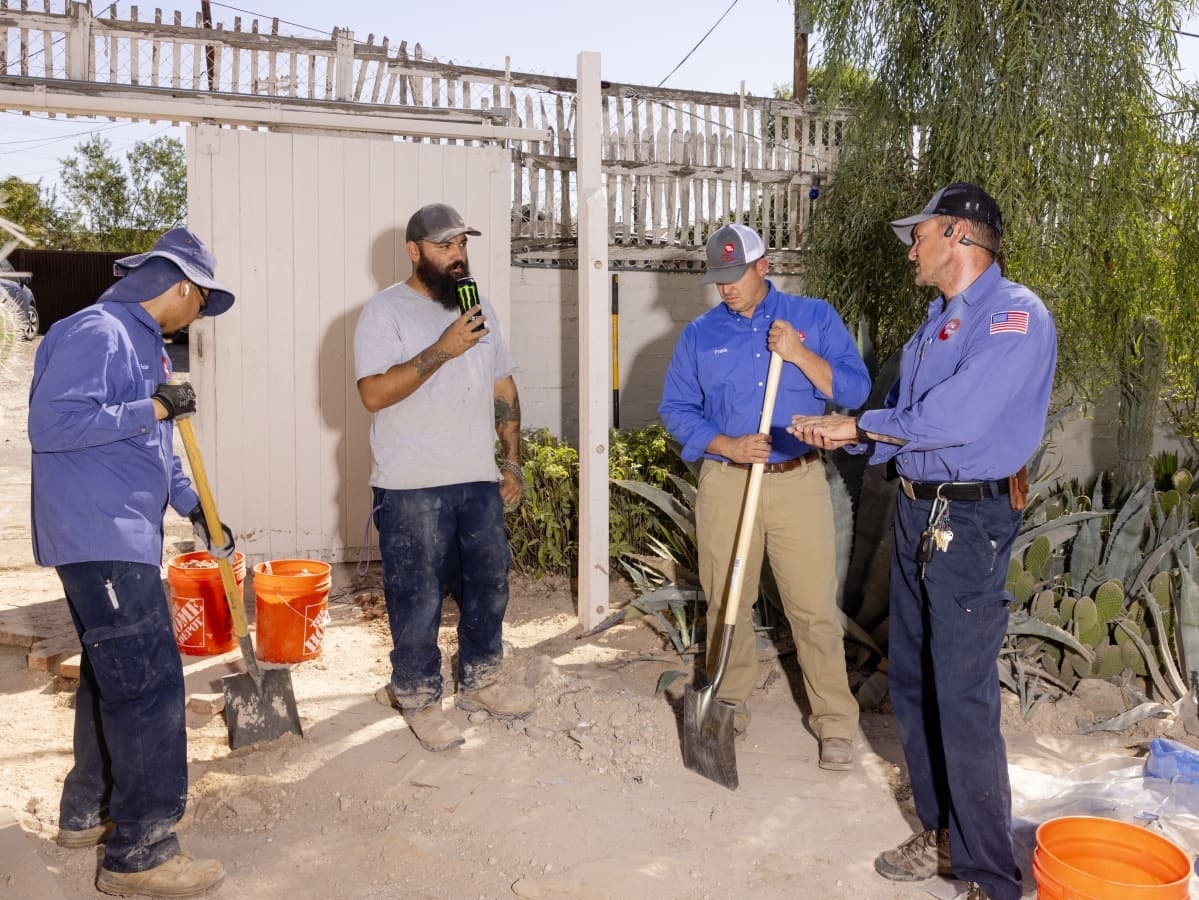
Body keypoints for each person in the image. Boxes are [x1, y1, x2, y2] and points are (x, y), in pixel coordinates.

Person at [789, 182, 1057, 900]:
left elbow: (959, 417)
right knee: (913, 682)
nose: (911, 249)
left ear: (959, 236)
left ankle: (988, 877)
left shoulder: (1012, 316)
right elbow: (905, 415)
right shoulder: (934, 324)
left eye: (919, 235)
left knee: (962, 697)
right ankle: (942, 835)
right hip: (918, 511)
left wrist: (860, 426)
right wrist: (839, 430)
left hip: (967, 522)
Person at [28, 228, 236, 897]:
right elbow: (50, 426)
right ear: (180, 284)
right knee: (148, 685)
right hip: (99, 536)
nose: (200, 315)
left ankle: (87, 810)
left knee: (110, 674)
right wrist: (151, 404)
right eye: (202, 301)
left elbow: (161, 451)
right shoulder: (97, 331)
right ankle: (141, 851)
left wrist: (197, 510)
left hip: (120, 537)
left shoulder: (145, 346)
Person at [659, 223, 871, 770]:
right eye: (717, 279)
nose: (725, 288)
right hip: (728, 482)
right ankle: (727, 709)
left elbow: (855, 390)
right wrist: (728, 443)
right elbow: (676, 410)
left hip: (798, 481)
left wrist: (798, 353)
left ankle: (835, 723)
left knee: (813, 609)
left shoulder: (815, 318)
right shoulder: (700, 335)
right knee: (727, 603)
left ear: (764, 266)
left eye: (735, 276)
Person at [354, 202, 532, 753]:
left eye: (461, 246)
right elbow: (373, 394)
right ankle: (417, 695)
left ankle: (480, 680)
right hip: (411, 484)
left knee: (488, 586)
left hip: (477, 477)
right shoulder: (385, 313)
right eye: (444, 246)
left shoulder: (481, 310)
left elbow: (503, 388)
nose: (457, 256)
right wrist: (443, 349)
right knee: (417, 597)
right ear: (415, 252)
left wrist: (511, 460)